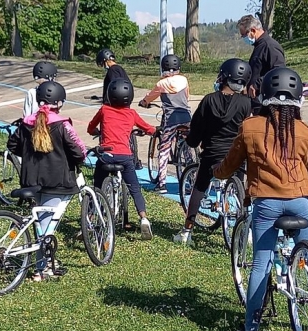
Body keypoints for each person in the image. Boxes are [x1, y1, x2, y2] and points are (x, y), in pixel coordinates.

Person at [212, 67, 308, 331]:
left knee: (261, 262)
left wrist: (216, 172)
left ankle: (251, 328)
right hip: (301, 201)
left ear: (263, 95)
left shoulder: (250, 126)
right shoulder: (303, 130)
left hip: (267, 203)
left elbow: (230, 164)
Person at [7, 81, 86, 281]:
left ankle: (43, 262)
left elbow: (12, 145)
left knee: (39, 223)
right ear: (59, 103)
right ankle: (41, 269)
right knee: (47, 225)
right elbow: (78, 150)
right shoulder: (62, 124)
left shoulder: (26, 122)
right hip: (57, 181)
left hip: (31, 180)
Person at [173, 58, 252, 245]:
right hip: (237, 155)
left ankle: (187, 230)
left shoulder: (209, 100)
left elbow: (197, 130)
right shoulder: (246, 103)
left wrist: (191, 139)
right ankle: (245, 230)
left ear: (223, 76)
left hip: (212, 154)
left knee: (199, 188)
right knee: (240, 188)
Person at [87, 79, 156, 240]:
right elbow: (148, 128)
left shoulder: (104, 110)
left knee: (97, 187)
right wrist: (154, 131)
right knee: (135, 188)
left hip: (106, 156)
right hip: (125, 157)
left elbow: (90, 128)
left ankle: (89, 219)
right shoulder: (131, 114)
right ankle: (143, 218)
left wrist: (97, 131)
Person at [138, 54, 192, 194]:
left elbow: (150, 97)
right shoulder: (184, 80)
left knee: (164, 149)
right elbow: (186, 95)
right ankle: (190, 179)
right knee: (187, 147)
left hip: (171, 119)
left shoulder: (161, 84)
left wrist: (144, 102)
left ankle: (162, 184)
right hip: (186, 116)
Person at [236, 14, 286, 111]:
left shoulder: (270, 46)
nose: (244, 38)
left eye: (244, 35)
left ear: (253, 30)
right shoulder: (259, 46)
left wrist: (257, 84)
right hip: (256, 101)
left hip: (266, 102)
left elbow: (279, 71)